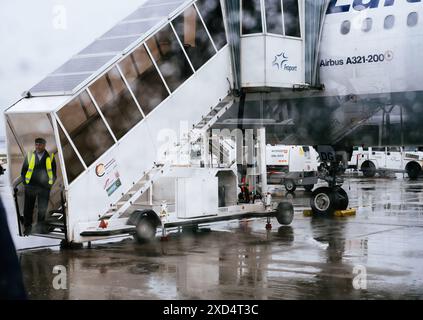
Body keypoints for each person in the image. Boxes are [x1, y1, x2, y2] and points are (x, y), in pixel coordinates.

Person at [21, 138, 56, 236]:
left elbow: (53, 173)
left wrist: (49, 185)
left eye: (40, 145)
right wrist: (26, 184)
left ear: (44, 145)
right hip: (30, 187)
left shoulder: (51, 157)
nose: (37, 146)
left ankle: (40, 227)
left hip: (44, 188)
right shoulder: (29, 156)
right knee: (28, 208)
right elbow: (23, 171)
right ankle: (28, 228)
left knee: (42, 208)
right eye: (36, 144)